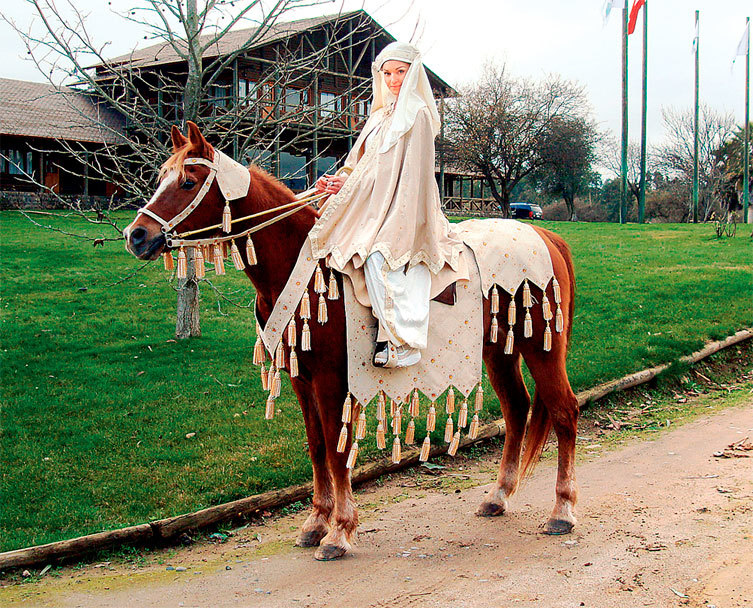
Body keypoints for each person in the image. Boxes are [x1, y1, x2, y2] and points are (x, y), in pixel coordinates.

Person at [309, 41, 464, 368]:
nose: (393, 79)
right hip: (370, 201)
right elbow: (360, 162)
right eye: (387, 73)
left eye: (400, 72)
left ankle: (404, 342)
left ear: (413, 72)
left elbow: (409, 176)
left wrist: (357, 186)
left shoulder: (417, 114)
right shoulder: (379, 116)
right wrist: (341, 180)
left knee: (378, 257)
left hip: (404, 205)